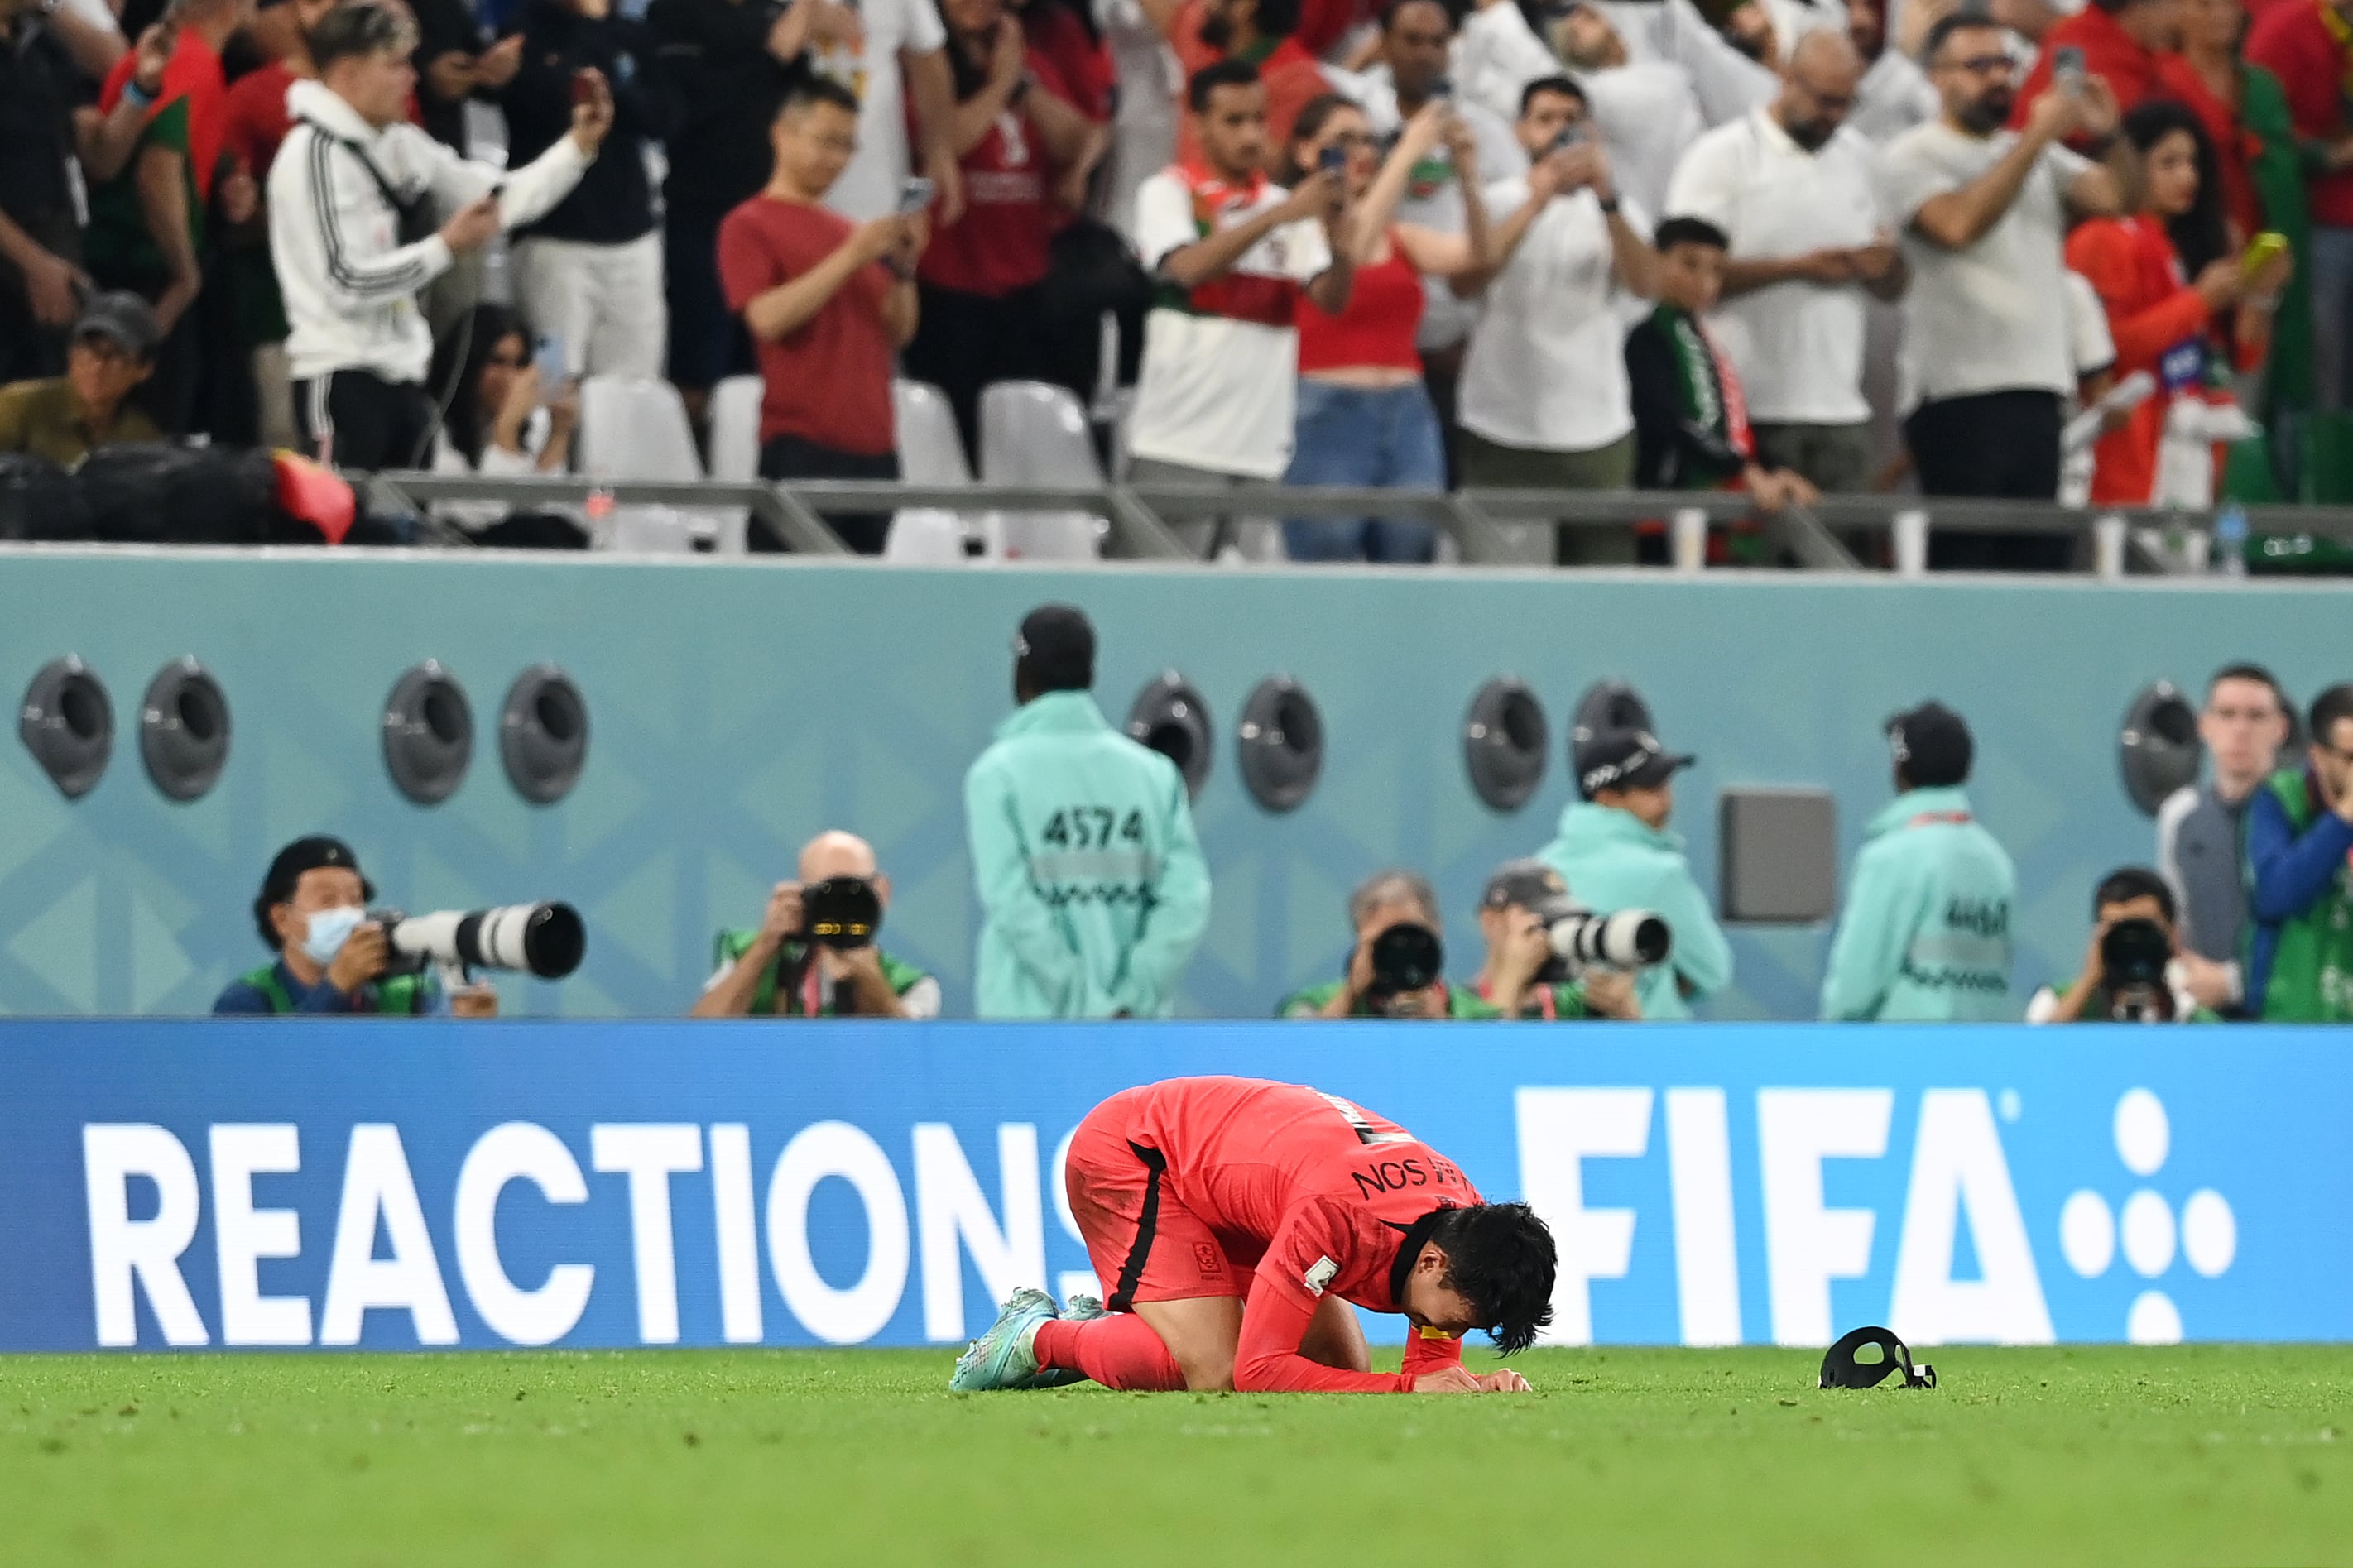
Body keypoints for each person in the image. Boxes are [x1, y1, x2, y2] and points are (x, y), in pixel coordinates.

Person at [949, 1074, 1554, 1393]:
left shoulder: (1459, 1224)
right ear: (1430, 1263)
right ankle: (1041, 1336)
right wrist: (1406, 1388)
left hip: (1236, 1188)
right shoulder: (1336, 1217)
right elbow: (1259, 1371)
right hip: (1135, 1157)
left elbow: (1428, 1356)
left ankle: (1121, 1327)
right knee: (1214, 1369)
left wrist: (1466, 1384)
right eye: (1459, 1320)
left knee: (1336, 1364)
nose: (1451, 1333)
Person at [267, 1, 610, 471]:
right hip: (342, 378)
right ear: (347, 71)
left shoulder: (400, 143)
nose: (411, 78)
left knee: (409, 537)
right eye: (395, 65)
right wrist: (444, 247)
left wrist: (576, 148)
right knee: (343, 535)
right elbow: (345, 282)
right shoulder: (314, 156)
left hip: (406, 379)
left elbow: (495, 200)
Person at [1877, 12, 2123, 564]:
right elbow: (1957, 226)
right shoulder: (1910, 156)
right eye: (1978, 66)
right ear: (1935, 78)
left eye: (2005, 64)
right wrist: (2037, 134)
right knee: (1967, 568)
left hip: (2039, 391)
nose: (1997, 78)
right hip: (1959, 397)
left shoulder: (2032, 155)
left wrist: (2109, 135)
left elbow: (2116, 197)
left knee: (2036, 572)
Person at [1124, 60, 1352, 556]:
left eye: (1258, 119)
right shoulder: (1169, 193)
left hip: (1260, 449)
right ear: (1198, 123)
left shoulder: (1285, 205)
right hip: (1177, 441)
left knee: (1244, 617)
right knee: (1161, 608)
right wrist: (1278, 216)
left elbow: (1331, 300)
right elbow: (1185, 268)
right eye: (1233, 121)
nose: (1251, 135)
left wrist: (1341, 241)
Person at [1664, 31, 1903, 496]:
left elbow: (1895, 286)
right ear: (1786, 79)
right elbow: (1675, 277)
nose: (1833, 116)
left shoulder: (1861, 160)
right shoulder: (1721, 157)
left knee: (1845, 562)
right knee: (1754, 563)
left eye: (1845, 104)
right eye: (1824, 101)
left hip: (1841, 410)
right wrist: (1795, 268)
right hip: (1750, 407)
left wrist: (1884, 268)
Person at [963, 604, 1212, 1019]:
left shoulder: (996, 775)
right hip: (1136, 1030)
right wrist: (1133, 997)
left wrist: (1083, 1004)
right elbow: (1186, 901)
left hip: (1027, 1030)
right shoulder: (1155, 775)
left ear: (1021, 674)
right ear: (1091, 674)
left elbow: (1011, 903)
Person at [1280, 97, 1496, 563]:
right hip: (1326, 411)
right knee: (1327, 547)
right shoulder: (1293, 225)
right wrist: (1407, 154)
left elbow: (1480, 256)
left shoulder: (1400, 237)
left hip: (1407, 412)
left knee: (1411, 545)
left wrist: (1468, 175)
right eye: (1343, 141)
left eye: (1368, 141)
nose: (1361, 152)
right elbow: (1349, 252)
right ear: (1303, 152)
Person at [718, 76, 926, 554]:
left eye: (847, 147)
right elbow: (766, 319)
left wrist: (904, 270)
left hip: (875, 447)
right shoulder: (749, 224)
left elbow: (898, 330)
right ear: (783, 133)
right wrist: (852, 256)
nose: (837, 159)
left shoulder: (851, 232)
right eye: (827, 141)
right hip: (803, 444)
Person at [1457, 77, 1659, 563]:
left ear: (1591, 132)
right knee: (1498, 596)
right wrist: (1537, 200)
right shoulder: (1498, 202)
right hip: (1499, 429)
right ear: (1520, 133)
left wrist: (1607, 196)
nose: (1559, 131)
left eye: (1571, 120)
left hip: (1595, 432)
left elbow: (1649, 286)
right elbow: (1464, 283)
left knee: (1601, 592)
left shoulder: (1620, 209)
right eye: (1545, 119)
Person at [901, 0, 1102, 459]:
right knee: (955, 436)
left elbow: (1075, 139)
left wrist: (1023, 80)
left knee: (1027, 436)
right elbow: (942, 142)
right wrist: (1001, 84)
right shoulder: (923, 63)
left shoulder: (1026, 59)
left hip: (1026, 278)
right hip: (949, 280)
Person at [645, 0, 857, 428]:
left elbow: (798, 102)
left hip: (774, 219)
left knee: (771, 364)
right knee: (700, 368)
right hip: (705, 216)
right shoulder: (673, 13)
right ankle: (699, 478)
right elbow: (688, 111)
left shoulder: (773, 11)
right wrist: (769, 57)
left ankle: (762, 479)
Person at [2065, 101, 2291, 505]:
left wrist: (2260, 294)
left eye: (2192, 163)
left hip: (2187, 451)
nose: (2187, 176)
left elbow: (2242, 358)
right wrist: (2199, 301)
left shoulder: (2182, 250)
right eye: (2168, 163)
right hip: (2121, 456)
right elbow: (2105, 349)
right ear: (2131, 166)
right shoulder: (2101, 238)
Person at [1363, 0, 1527, 471]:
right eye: (1412, 40)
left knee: (1434, 505)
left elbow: (1510, 232)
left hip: (1453, 348)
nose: (1426, 53)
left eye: (1438, 42)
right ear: (1385, 45)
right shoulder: (1356, 118)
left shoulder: (1483, 131)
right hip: (1366, 339)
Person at [84, 0, 252, 434]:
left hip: (141, 268)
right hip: (143, 274)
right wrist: (184, 273)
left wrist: (229, 175)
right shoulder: (188, 59)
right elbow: (156, 170)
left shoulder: (190, 57)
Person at [497, 0, 671, 384]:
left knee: (634, 384)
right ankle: (549, 444)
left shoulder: (633, 35)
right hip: (553, 243)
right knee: (552, 378)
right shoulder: (523, 31)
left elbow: (663, 117)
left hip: (632, 240)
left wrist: (612, 81)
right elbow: (547, 106)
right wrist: (593, 37)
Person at [1819, 701, 2017, 1022]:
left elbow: (1856, 984)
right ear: (1969, 771)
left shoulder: (1890, 857)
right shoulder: (1996, 862)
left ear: (1898, 769)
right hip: (1980, 1058)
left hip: (1900, 1061)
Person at [1624, 214, 1820, 528]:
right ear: (1655, 261)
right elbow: (1669, 421)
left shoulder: (1708, 341)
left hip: (1717, 506)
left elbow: (1729, 423)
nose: (1704, 282)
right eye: (1690, 265)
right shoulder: (1645, 337)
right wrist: (1742, 469)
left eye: (1717, 270)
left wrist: (1772, 469)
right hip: (1666, 506)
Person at [1535, 727, 1733, 1020]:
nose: (1667, 801)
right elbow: (1714, 971)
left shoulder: (1540, 866)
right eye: (1652, 788)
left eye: (1667, 785)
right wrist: (1663, 982)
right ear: (1606, 797)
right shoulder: (1662, 874)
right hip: (1645, 1053)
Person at [220, 0, 340, 453]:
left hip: (358, 311)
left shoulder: (384, 84)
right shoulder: (253, 95)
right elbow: (234, 216)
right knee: (282, 434)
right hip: (276, 301)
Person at [213, 835, 496, 1016]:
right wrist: (334, 990)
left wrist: (467, 1034)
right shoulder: (248, 1001)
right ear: (281, 919)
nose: (347, 913)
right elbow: (266, 1079)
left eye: (355, 900)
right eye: (327, 900)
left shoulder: (406, 994)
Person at [691, 830, 942, 1018]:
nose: (839, 907)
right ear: (803, 897)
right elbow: (693, 1044)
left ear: (882, 892)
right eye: (826, 893)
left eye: (854, 891)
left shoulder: (911, 984)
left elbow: (909, 1061)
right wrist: (765, 947)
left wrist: (869, 981)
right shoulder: (743, 953)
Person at [2157, 663, 2293, 1000]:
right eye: (2227, 714)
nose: (2240, 729)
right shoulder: (2179, 816)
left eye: (2256, 716)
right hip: (2204, 1020)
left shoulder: (2305, 816)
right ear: (2205, 726)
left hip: (2288, 1016)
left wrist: (2235, 983)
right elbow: (2176, 921)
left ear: (2280, 729)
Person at [2245, 0, 2353, 414]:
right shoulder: (2293, 28)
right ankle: (2320, 463)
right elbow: (2259, 119)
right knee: (2320, 354)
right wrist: (2326, 153)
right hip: (2319, 221)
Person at [422, 303, 587, 544]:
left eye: (519, 365)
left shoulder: (534, 421)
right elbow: (478, 517)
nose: (510, 378)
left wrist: (558, 434)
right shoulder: (432, 424)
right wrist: (506, 428)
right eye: (497, 362)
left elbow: (551, 510)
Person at [2244, 682, 2353, 1021]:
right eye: (2351, 758)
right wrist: (2343, 819)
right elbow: (2276, 893)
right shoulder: (2278, 801)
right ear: (2318, 756)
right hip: (2291, 1023)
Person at [1278, 869, 1501, 1019]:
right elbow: (1296, 1050)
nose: (1400, 951)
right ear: (1360, 939)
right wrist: (1350, 997)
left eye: (1410, 936)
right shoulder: (1312, 1003)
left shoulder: (1478, 1017)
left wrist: (1441, 1027)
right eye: (1385, 939)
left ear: (1437, 930)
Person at [2026, 866, 2226, 1024]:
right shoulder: (2055, 1000)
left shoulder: (2192, 1018)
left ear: (2173, 934)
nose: (2133, 942)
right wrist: (2089, 980)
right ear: (2097, 936)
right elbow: (2034, 1056)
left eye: (2144, 929)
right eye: (2118, 930)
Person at [1169, 0, 1333, 177]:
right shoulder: (1204, 44)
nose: (1204, 4)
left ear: (1246, 5)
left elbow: (1285, 168)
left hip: (1258, 201)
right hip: (1182, 192)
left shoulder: (1301, 82)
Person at [0, 292, 165, 466]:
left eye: (115, 354)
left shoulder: (143, 438)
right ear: (70, 353)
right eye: (89, 350)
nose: (98, 365)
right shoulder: (19, 405)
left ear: (144, 369)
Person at [1470, 859, 1641, 1020]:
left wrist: (1626, 1014)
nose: (1547, 935)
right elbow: (1486, 1050)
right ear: (1490, 922)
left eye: (1558, 921)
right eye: (1539, 923)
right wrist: (1511, 981)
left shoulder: (1577, 1004)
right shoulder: (1453, 1007)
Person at [1844, 0, 1938, 145]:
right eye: (1847, 7)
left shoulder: (1907, 81)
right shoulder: (1822, 74)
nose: (1858, 20)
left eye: (1869, 7)